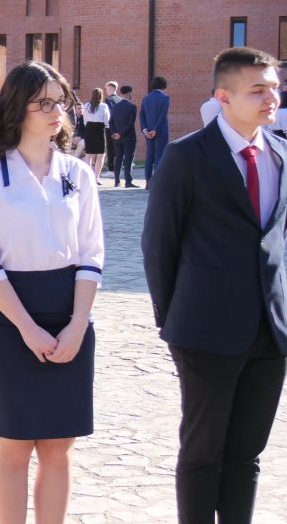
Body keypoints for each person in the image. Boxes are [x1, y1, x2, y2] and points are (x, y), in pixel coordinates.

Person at [141, 47, 287, 524]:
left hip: (272, 333)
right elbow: (158, 245)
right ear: (223, 97)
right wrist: (174, 320)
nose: (272, 98)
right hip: (205, 332)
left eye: (274, 88)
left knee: (247, 455)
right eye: (258, 90)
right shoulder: (187, 156)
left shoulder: (282, 153)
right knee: (203, 453)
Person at [0, 61, 103, 524]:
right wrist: (27, 329)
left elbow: (91, 254)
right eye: (43, 103)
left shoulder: (78, 174)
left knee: (59, 446)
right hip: (11, 315)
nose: (55, 111)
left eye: (60, 101)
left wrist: (78, 325)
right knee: (15, 443)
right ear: (17, 108)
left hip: (70, 309)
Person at [140, 75, 170, 185]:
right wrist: (155, 130)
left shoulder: (145, 98)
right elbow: (163, 115)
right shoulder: (165, 98)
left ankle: (148, 182)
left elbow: (141, 115)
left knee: (149, 156)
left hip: (148, 132)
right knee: (159, 156)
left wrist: (145, 130)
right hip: (160, 131)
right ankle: (157, 183)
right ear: (163, 86)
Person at [109, 85, 138, 188]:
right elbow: (130, 124)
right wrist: (120, 134)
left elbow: (111, 122)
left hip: (117, 138)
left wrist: (115, 133)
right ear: (129, 93)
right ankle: (128, 181)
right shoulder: (132, 107)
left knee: (118, 158)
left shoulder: (115, 107)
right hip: (129, 137)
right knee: (128, 159)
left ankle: (116, 181)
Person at [82, 88, 111, 184]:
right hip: (99, 129)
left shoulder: (86, 105)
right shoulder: (103, 106)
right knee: (100, 155)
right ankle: (96, 177)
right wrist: (106, 125)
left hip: (89, 129)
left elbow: (85, 120)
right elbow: (107, 120)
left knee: (88, 154)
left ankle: (87, 177)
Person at [103, 81, 119, 173]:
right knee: (118, 148)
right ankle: (118, 167)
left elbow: (108, 114)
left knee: (110, 148)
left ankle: (111, 169)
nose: (106, 91)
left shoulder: (108, 100)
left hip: (110, 126)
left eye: (107, 89)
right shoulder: (121, 100)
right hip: (119, 127)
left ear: (111, 89)